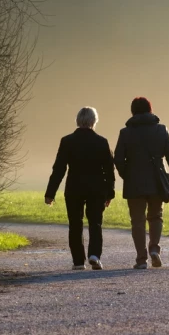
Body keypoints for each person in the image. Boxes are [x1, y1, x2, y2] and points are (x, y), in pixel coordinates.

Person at [113, 97, 169, 269]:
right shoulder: (161, 130)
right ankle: (154, 249)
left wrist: (127, 175)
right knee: (156, 216)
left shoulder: (125, 133)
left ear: (133, 111)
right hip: (156, 181)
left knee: (137, 221)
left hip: (134, 182)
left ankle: (141, 258)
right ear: (150, 109)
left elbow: (118, 159)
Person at [45, 107, 115, 270]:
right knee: (95, 222)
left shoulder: (67, 141)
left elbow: (59, 169)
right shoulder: (102, 142)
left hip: (74, 188)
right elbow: (109, 171)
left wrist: (50, 193)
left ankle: (78, 261)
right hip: (96, 188)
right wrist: (110, 192)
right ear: (94, 121)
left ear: (78, 121)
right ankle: (94, 255)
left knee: (75, 224)